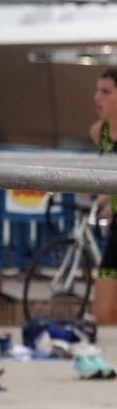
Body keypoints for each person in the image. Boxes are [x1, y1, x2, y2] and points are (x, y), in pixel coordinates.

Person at [91, 68, 117, 349]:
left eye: (106, 92)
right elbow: (108, 177)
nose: (97, 97)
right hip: (115, 226)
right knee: (104, 311)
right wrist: (104, 201)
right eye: (97, 91)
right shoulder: (100, 133)